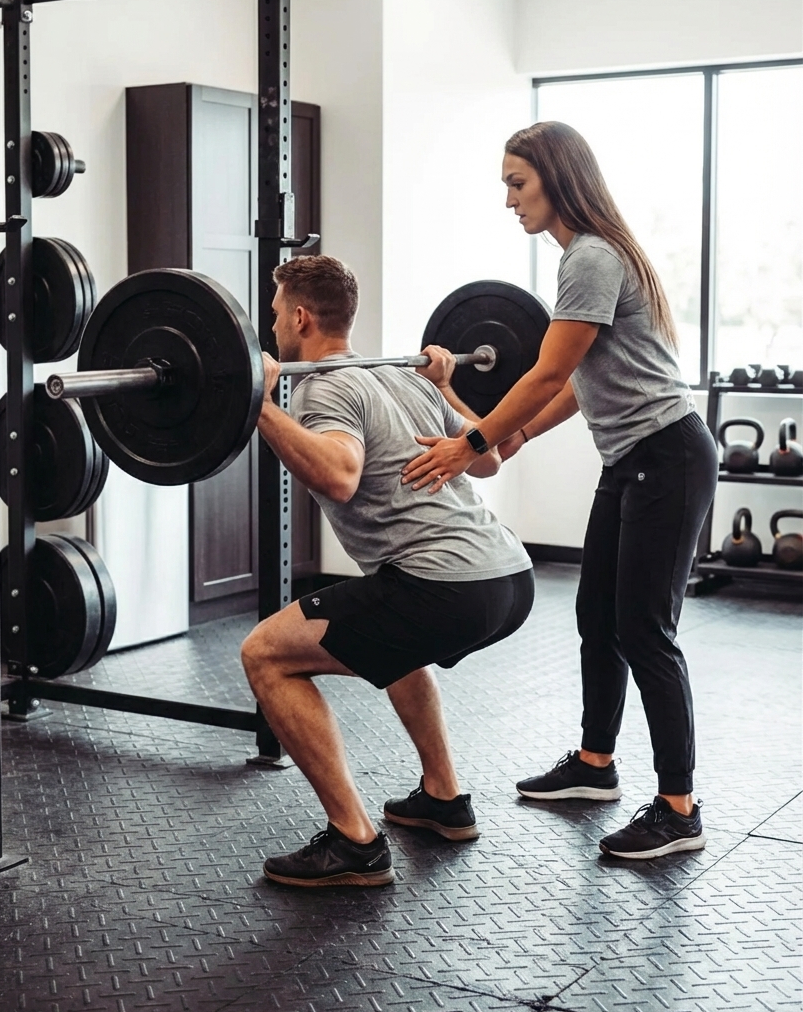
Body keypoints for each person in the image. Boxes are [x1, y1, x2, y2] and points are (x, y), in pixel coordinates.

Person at [402, 121, 718, 861]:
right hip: (634, 459)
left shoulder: (590, 259)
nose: (509, 200)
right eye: (506, 186)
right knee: (596, 615)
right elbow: (578, 385)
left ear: (557, 178)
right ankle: (596, 764)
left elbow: (545, 374)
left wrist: (471, 443)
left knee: (645, 628)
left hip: (666, 456)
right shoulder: (589, 258)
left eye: (518, 183)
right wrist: (508, 438)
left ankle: (679, 809)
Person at [240, 254, 534, 887]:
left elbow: (341, 475)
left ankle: (354, 842)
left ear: (299, 316)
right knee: (395, 640)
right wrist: (447, 382)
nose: (271, 330)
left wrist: (258, 405)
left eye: (273, 316)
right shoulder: (403, 377)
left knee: (265, 653)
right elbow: (489, 458)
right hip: (510, 579)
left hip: (446, 586)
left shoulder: (324, 387)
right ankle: (444, 799)